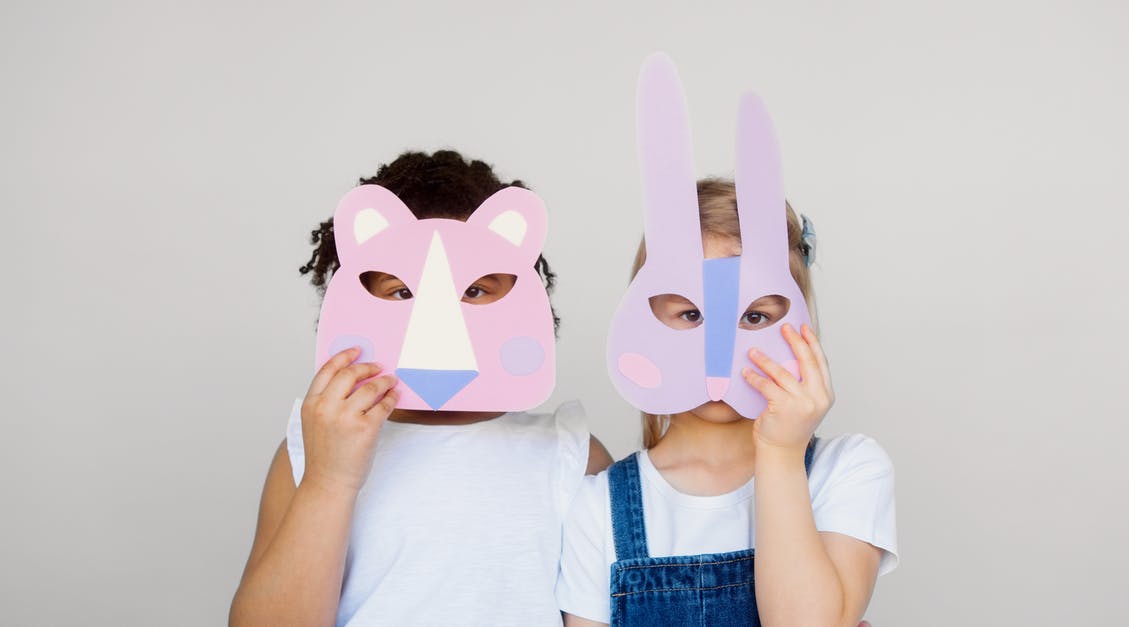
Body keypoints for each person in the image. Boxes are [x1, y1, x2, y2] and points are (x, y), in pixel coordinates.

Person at [230, 150, 612, 627]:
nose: (437, 329)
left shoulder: (570, 456)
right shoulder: (312, 450)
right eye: (400, 291)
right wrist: (330, 480)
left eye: (476, 289)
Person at [557, 179, 897, 626]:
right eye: (691, 314)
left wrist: (780, 453)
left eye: (755, 317)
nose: (721, 353)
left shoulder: (848, 469)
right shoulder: (595, 505)